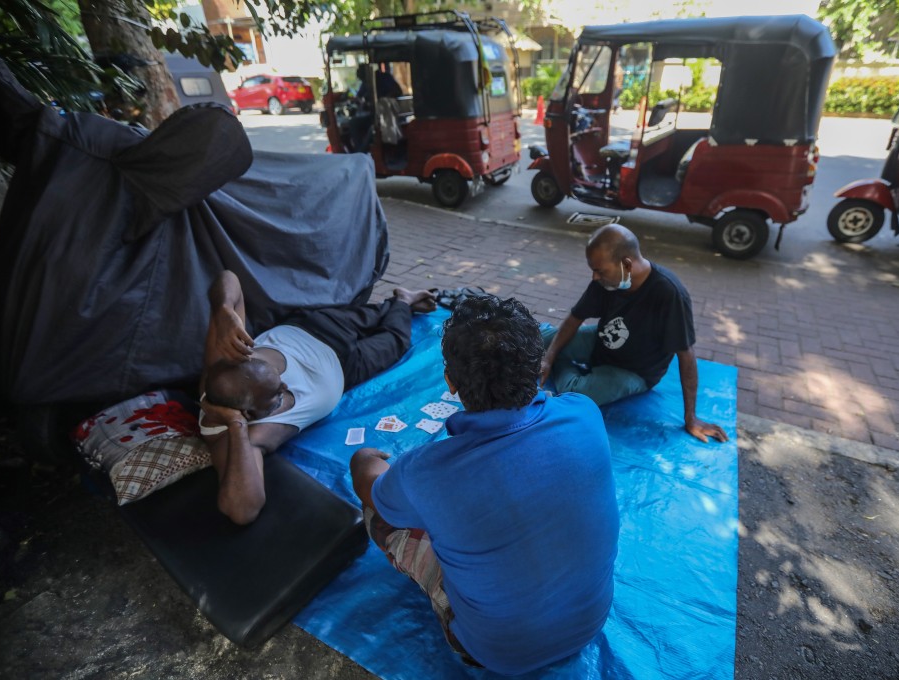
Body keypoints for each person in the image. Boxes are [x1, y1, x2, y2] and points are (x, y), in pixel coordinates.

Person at [350, 295, 619, 675]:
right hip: (590, 623)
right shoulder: (584, 412)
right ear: (538, 369)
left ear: (450, 382)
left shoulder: (426, 472)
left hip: (498, 653)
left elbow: (369, 487)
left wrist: (363, 458)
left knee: (381, 516)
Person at [199, 270, 436, 525]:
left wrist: (224, 310)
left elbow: (228, 278)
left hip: (313, 329)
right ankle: (403, 300)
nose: (286, 385)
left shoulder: (222, 362)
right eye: (277, 394)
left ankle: (394, 304)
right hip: (349, 368)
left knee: (368, 315)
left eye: (278, 378)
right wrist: (235, 426)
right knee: (395, 340)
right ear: (248, 414)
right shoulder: (248, 437)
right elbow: (243, 511)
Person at [540, 224, 728, 444]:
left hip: (633, 371)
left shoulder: (669, 293)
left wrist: (691, 417)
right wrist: (548, 357)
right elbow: (575, 317)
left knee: (576, 394)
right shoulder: (606, 280)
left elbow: (686, 355)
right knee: (540, 339)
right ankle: (556, 357)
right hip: (602, 342)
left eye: (600, 271)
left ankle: (562, 362)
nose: (594, 277)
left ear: (627, 264)